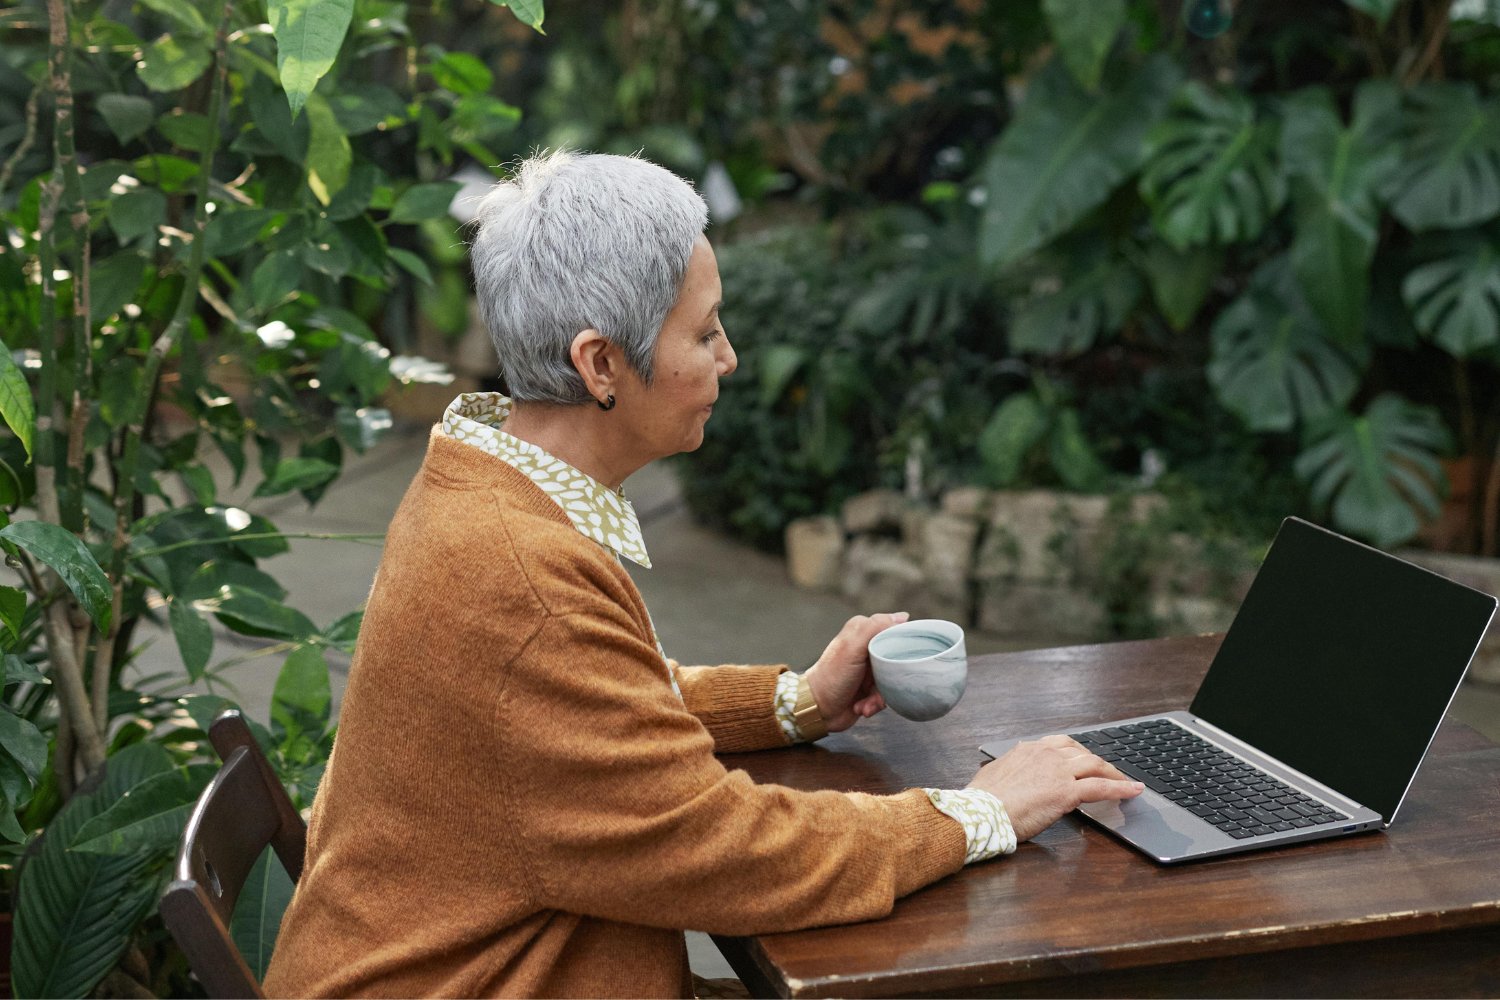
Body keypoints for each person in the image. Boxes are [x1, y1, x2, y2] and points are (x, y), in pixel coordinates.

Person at [263, 150, 1142, 999]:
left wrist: (795, 701)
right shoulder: (516, 579)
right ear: (600, 364)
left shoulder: (482, 478)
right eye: (706, 331)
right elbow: (720, 846)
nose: (729, 359)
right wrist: (978, 812)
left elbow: (595, 707)